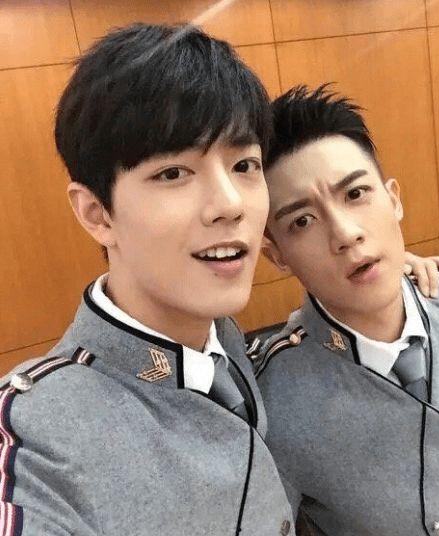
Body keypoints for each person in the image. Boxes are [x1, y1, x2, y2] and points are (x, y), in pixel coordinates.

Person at [0, 23, 295, 535]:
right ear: (97, 214)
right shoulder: (34, 440)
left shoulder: (219, 336)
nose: (231, 204)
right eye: (173, 173)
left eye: (245, 164)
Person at [255, 85, 439, 536]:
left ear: (393, 199)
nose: (345, 234)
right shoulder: (273, 400)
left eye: (355, 193)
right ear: (276, 255)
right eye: (302, 221)